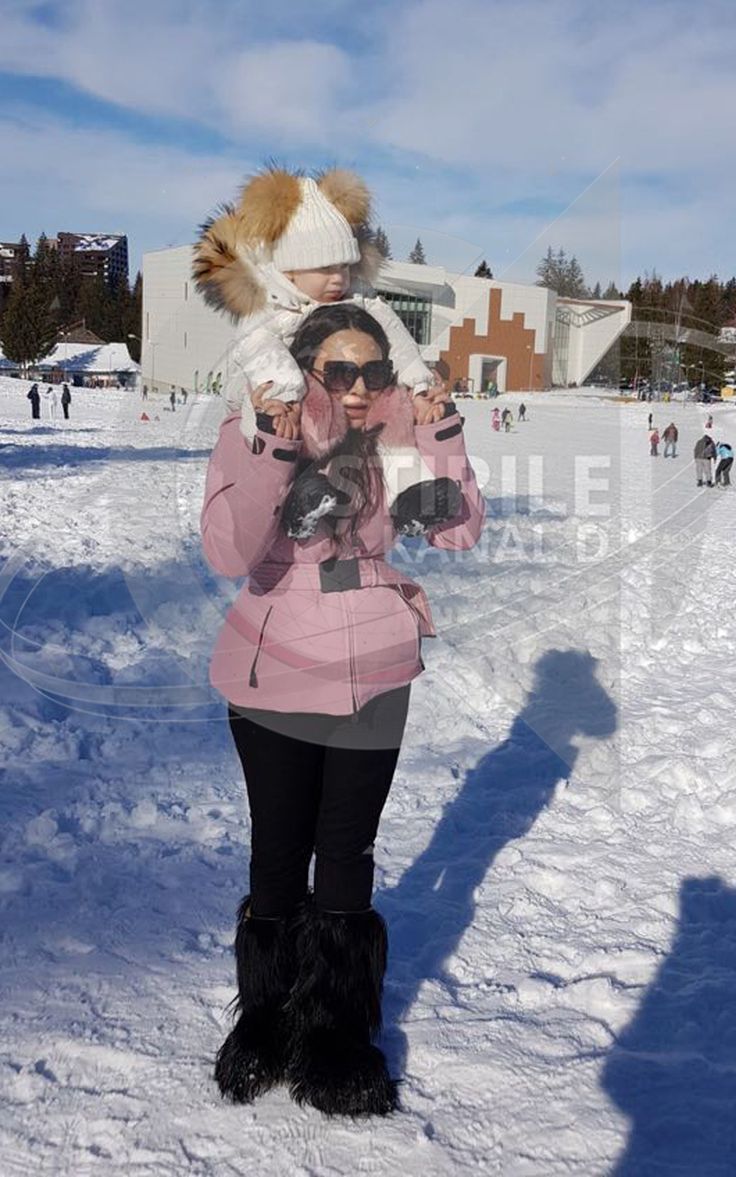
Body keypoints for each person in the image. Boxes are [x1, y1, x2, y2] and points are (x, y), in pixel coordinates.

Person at [200, 301, 485, 1118]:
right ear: (306, 371)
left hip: (376, 671)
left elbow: (459, 531)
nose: (359, 388)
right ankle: (266, 1018)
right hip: (276, 673)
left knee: (347, 851)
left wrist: (441, 430)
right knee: (279, 850)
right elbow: (229, 550)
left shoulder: (399, 441)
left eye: (374, 371)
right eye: (340, 371)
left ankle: (335, 1032)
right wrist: (271, 441)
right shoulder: (255, 427)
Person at [194, 165, 441, 520]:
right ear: (290, 271)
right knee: (305, 408)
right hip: (273, 398)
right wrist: (287, 388)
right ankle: (301, 491)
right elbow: (255, 346)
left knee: (391, 407)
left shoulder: (360, 301)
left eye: (344, 267)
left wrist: (416, 380)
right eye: (325, 269)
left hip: (338, 393)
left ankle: (409, 490)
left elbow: (395, 337)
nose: (339, 279)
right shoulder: (269, 310)